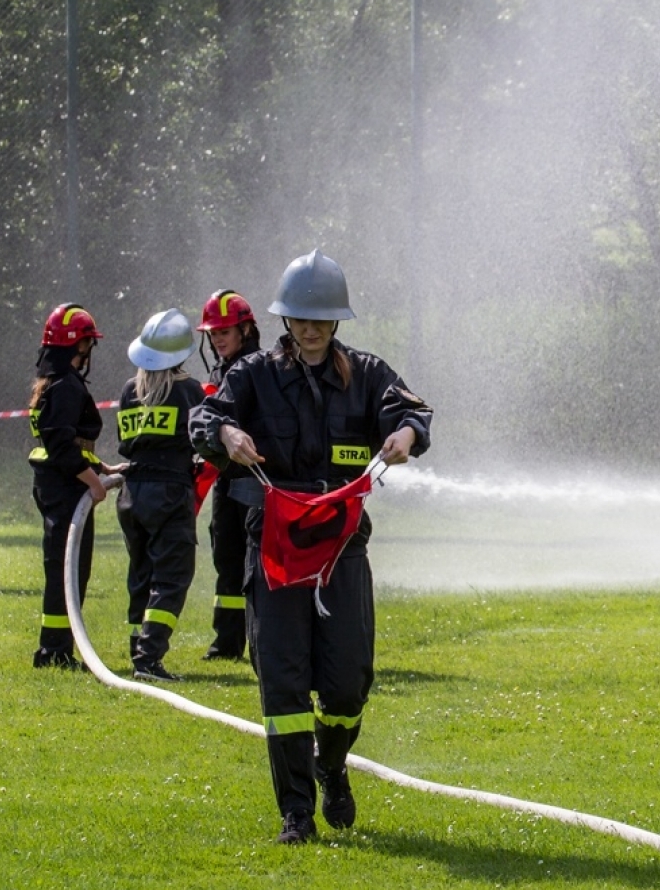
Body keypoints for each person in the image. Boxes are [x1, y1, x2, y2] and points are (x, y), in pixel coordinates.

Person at [192, 249, 432, 845]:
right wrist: (227, 432)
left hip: (341, 548)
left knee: (347, 682)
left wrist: (405, 434)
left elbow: (411, 412)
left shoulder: (367, 373)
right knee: (283, 678)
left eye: (322, 319)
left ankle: (333, 762)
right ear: (285, 318)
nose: (311, 328)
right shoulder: (253, 374)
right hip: (274, 547)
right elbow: (205, 416)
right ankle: (296, 812)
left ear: (337, 320)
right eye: (301, 318)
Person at [116, 308, 207, 683]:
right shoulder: (189, 390)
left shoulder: (129, 390)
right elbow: (203, 439)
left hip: (131, 494)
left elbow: (127, 443)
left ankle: (137, 650)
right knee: (172, 576)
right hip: (169, 492)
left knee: (141, 575)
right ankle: (149, 658)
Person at [28, 303, 118, 671]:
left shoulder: (55, 383)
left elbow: (69, 442)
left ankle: (58, 648)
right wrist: (94, 482)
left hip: (58, 484)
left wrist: (101, 466)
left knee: (67, 569)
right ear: (78, 345)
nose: (89, 350)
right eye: (87, 343)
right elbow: (61, 444)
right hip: (65, 489)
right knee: (66, 571)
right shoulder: (66, 386)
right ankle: (54, 651)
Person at [196, 289, 261, 665]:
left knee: (255, 559)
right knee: (226, 555)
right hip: (226, 478)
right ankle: (227, 642)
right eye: (213, 333)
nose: (218, 339)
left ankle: (261, 638)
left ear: (245, 330)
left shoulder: (260, 368)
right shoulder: (218, 371)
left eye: (225, 332)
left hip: (256, 478)